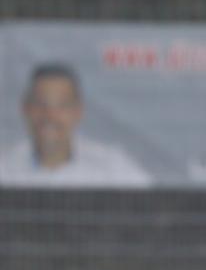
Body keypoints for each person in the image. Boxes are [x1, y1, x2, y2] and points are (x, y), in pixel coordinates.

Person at [0, 64, 152, 188]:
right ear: (25, 109)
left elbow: (151, 209)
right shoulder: (4, 166)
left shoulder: (113, 167)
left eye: (62, 105)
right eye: (40, 104)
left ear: (78, 112)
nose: (50, 115)